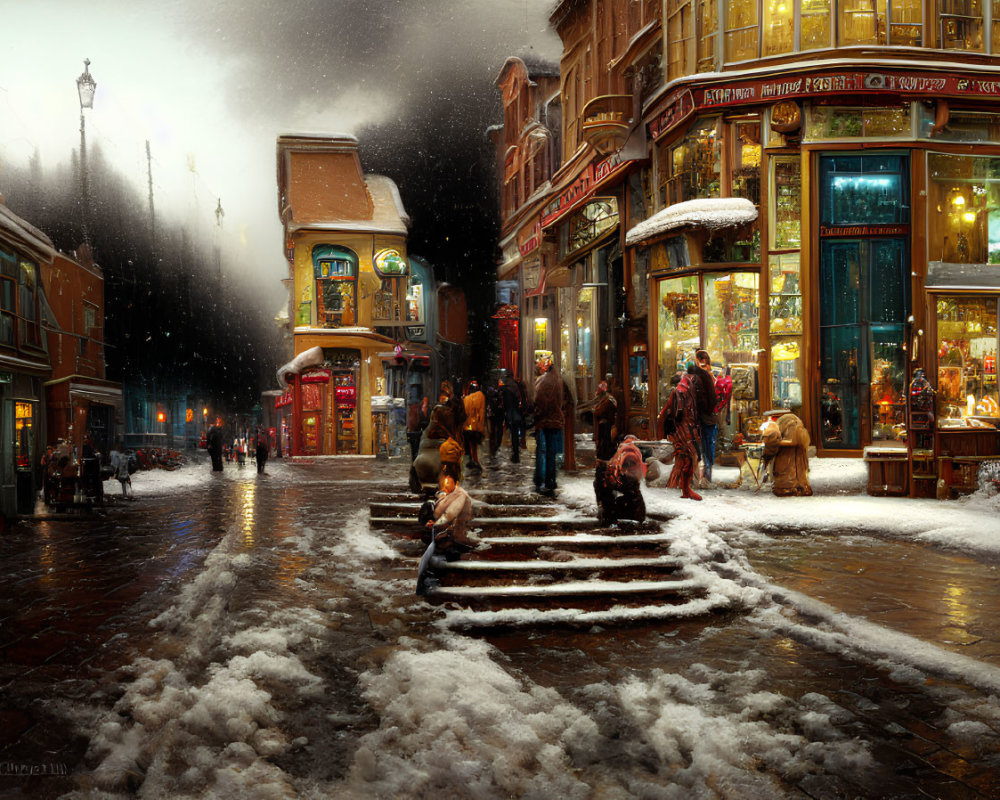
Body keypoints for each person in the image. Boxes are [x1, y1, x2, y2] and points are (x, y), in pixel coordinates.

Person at [658, 366, 703, 500]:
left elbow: (664, 413)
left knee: (685, 459)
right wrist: (661, 434)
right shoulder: (681, 391)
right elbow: (665, 413)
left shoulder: (686, 391)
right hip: (684, 432)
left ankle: (681, 488)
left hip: (684, 431)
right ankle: (683, 489)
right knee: (688, 459)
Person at [595, 435, 647, 524]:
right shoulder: (634, 452)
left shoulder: (621, 453)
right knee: (632, 496)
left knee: (608, 497)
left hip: (618, 479)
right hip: (626, 480)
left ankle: (609, 515)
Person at [532, 357, 565, 496]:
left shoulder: (542, 381)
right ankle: (550, 480)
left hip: (544, 420)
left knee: (541, 451)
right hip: (556, 421)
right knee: (551, 452)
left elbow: (538, 400)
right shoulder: (559, 381)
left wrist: (537, 414)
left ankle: (540, 479)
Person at [692, 349, 718, 488]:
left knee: (698, 449)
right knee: (707, 449)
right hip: (706, 419)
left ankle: (698, 478)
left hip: (696, 419)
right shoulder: (706, 377)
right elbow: (713, 399)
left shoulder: (693, 376)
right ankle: (706, 479)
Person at [500, 374, 525, 463]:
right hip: (517, 413)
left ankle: (515, 454)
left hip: (511, 414)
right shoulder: (517, 386)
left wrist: (505, 415)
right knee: (516, 434)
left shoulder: (506, 389)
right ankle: (516, 452)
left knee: (513, 433)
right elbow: (522, 398)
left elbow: (505, 404)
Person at [462, 380, 486, 472]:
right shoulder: (481, 397)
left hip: (468, 426)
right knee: (474, 445)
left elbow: (464, 413)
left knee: (471, 444)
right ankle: (475, 461)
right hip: (476, 426)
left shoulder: (466, 399)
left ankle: (472, 460)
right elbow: (482, 412)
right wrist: (481, 426)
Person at [592, 381, 618, 462]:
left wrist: (595, 410)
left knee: (605, 443)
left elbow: (598, 412)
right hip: (607, 424)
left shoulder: (608, 401)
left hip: (606, 424)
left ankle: (603, 456)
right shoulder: (607, 399)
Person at [485, 376, 506, 460]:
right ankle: (495, 444)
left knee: (495, 429)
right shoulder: (495, 392)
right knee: (497, 429)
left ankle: (494, 444)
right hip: (496, 414)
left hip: (494, 414)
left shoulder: (492, 391)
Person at [406, 393, 429, 463]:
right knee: (415, 450)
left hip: (414, 433)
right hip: (416, 433)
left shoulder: (413, 410)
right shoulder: (417, 410)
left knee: (414, 450)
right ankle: (415, 464)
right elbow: (418, 422)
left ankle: (414, 464)